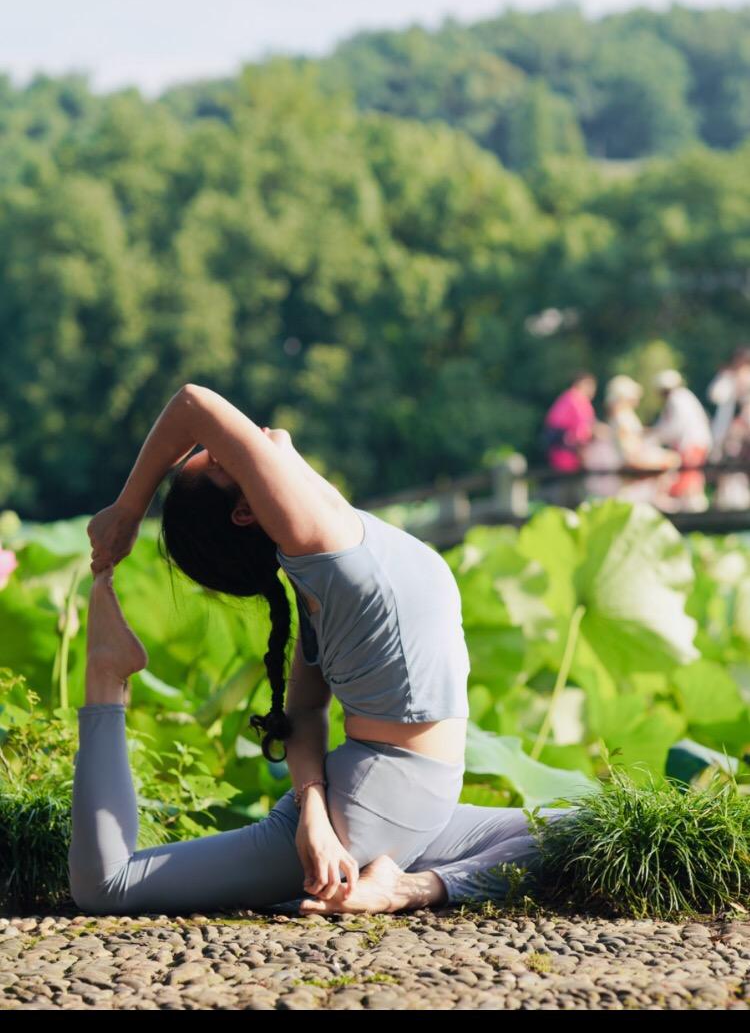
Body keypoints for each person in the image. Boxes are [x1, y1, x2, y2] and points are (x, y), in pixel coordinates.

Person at [69, 385, 577, 918]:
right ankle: (106, 676)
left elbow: (304, 711)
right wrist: (128, 510)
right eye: (222, 461)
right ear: (249, 510)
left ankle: (408, 887)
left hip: (402, 808)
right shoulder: (315, 539)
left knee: (587, 827)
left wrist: (314, 806)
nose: (244, 440)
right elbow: (195, 404)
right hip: (367, 809)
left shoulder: (326, 552)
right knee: (107, 886)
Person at [604, 375, 681, 508]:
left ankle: (658, 498)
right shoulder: (622, 417)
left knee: (670, 458)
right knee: (672, 459)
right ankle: (659, 499)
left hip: (633, 456)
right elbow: (629, 448)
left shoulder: (623, 415)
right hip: (631, 459)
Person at [650, 369, 712, 512]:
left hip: (691, 443)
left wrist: (655, 436)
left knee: (689, 474)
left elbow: (674, 427)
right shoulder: (682, 397)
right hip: (694, 442)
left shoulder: (676, 400)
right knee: (690, 474)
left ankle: (693, 509)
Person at [541, 371, 600, 507]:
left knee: (561, 498)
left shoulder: (565, 399)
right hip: (571, 458)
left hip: (557, 457)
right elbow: (583, 433)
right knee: (578, 501)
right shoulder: (578, 400)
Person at [706, 348, 750, 510]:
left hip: (742, 432)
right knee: (729, 468)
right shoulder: (729, 378)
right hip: (731, 435)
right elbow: (716, 395)